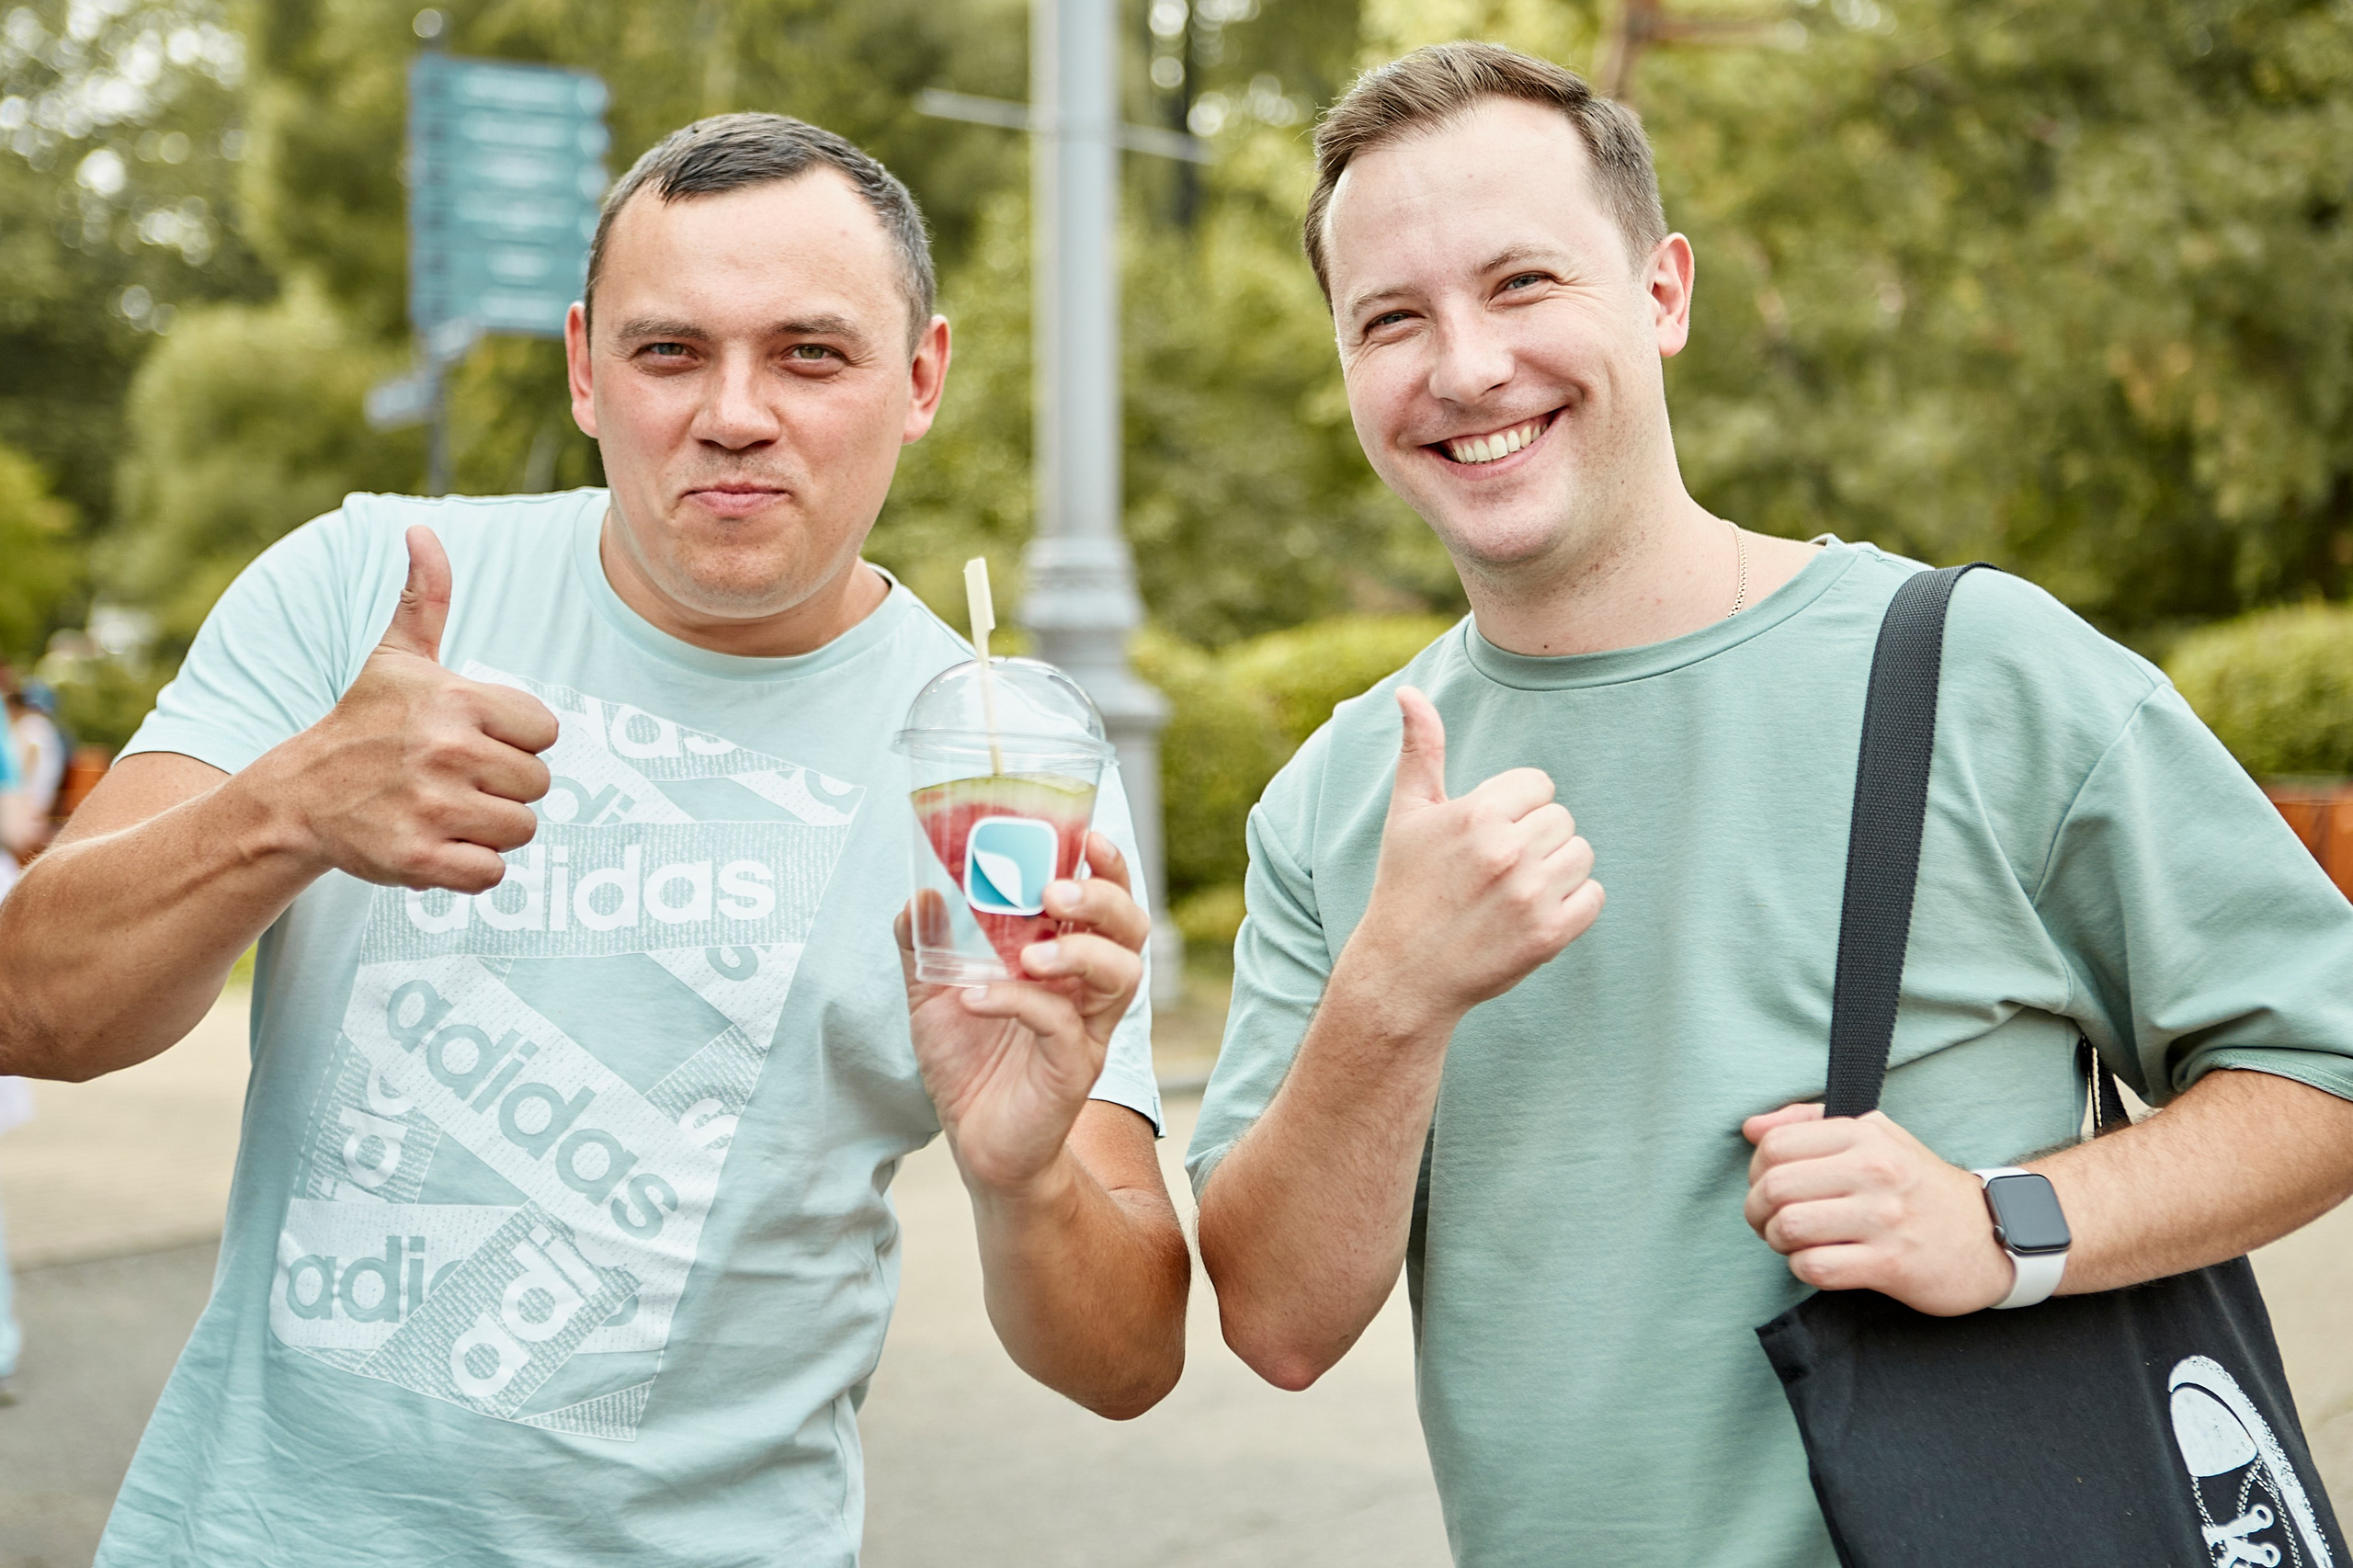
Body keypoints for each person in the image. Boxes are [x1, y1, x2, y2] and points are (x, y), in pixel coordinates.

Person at [1188, 42, 2353, 1566]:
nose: (1463, 366)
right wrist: (1393, 997)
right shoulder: (1336, 796)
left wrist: (2002, 1223)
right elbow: (1275, 1319)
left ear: (1663, 293)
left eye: (1524, 282)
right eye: (1390, 319)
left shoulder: (1974, 672)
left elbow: (2324, 1065)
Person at [0, 113, 1188, 1563]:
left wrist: (1029, 1174)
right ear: (582, 366)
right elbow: (31, 1007)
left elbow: (1127, 1359)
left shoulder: (999, 762)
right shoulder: (368, 583)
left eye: (811, 353)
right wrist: (289, 806)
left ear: (921, 375)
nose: (735, 411)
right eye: (668, 351)